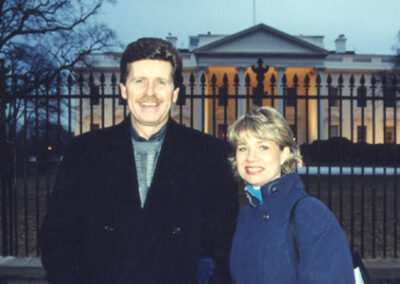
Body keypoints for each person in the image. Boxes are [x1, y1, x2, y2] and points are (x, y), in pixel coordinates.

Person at [40, 38, 238, 284]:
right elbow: (57, 237)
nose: (150, 93)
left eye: (161, 82)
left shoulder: (209, 155)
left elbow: (224, 243)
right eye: (140, 81)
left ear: (175, 93)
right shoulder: (84, 153)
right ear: (124, 89)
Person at [228, 106, 354, 283]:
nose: (250, 157)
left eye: (263, 147)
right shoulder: (247, 215)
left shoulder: (309, 214)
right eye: (242, 148)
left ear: (284, 154)